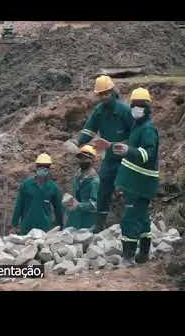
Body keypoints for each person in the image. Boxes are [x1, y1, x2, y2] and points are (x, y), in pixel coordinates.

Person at [69, 75, 134, 233]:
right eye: (101, 94)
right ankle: (99, 224)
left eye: (107, 93)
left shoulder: (125, 110)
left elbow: (135, 136)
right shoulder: (99, 111)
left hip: (127, 159)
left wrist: (122, 145)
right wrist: (77, 142)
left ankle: (131, 222)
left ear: (113, 92)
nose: (104, 97)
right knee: (104, 189)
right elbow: (89, 130)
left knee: (126, 190)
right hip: (110, 159)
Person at [112, 88, 159, 267]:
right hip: (137, 182)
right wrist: (115, 147)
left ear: (148, 107)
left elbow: (148, 154)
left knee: (129, 218)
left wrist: (129, 151)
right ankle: (144, 253)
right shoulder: (138, 126)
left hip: (140, 184)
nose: (136, 108)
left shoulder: (148, 129)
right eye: (134, 105)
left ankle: (128, 257)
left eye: (140, 105)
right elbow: (132, 152)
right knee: (142, 216)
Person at [11, 153, 64, 235]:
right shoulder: (26, 185)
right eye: (40, 166)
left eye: (46, 166)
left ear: (49, 168)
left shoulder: (53, 188)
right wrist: (14, 225)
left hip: (44, 229)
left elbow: (58, 209)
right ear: (36, 167)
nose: (43, 168)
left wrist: (60, 226)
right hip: (27, 228)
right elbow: (19, 205)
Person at [64, 145, 100, 229]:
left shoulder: (94, 181)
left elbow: (94, 205)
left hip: (88, 221)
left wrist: (79, 205)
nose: (82, 160)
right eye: (81, 158)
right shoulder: (77, 176)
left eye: (86, 158)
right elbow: (75, 196)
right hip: (75, 219)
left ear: (92, 160)